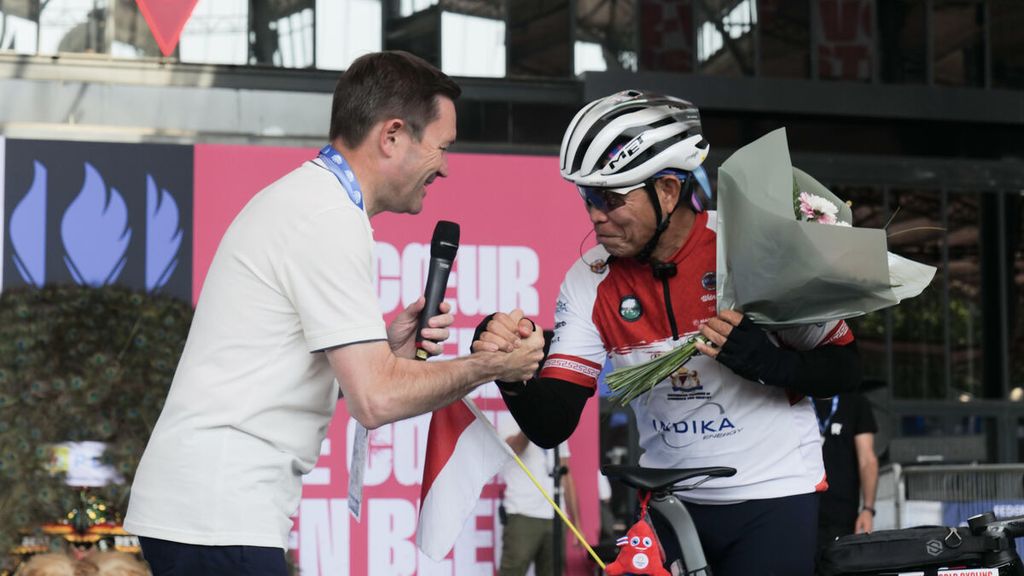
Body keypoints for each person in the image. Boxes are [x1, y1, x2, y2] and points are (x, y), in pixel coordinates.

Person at [123, 51, 545, 576]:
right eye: (442, 146)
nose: (446, 165)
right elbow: (376, 398)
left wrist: (386, 351)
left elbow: (334, 376)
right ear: (392, 136)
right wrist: (490, 368)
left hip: (211, 508)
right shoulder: (325, 217)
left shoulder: (315, 202)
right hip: (216, 510)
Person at [475, 90, 862, 576]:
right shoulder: (588, 279)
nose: (595, 214)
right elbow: (552, 424)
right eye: (586, 197)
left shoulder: (748, 249)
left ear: (667, 191)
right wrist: (508, 371)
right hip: (671, 502)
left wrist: (766, 363)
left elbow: (847, 369)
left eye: (610, 198)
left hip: (770, 496)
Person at [497, 418, 579, 576]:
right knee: (512, 572)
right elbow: (517, 447)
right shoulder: (509, 422)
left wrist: (577, 524)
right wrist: (532, 419)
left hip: (556, 514)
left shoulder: (557, 426)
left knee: (553, 572)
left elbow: (566, 474)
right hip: (522, 514)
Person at [815, 391, 879, 554]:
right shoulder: (793, 397)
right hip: (799, 507)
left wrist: (868, 509)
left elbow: (867, 460)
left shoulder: (856, 401)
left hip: (842, 513)